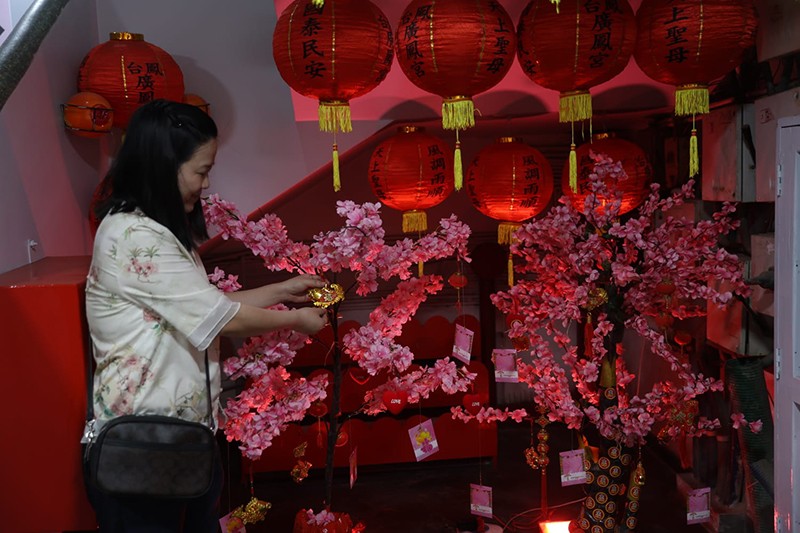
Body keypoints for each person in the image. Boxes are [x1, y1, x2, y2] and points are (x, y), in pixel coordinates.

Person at [83, 99, 328, 532]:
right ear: (163, 166)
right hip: (146, 443)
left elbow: (203, 306)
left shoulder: (151, 229)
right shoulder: (138, 236)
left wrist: (279, 290)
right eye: (200, 170)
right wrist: (295, 320)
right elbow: (221, 318)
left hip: (178, 436)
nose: (207, 182)